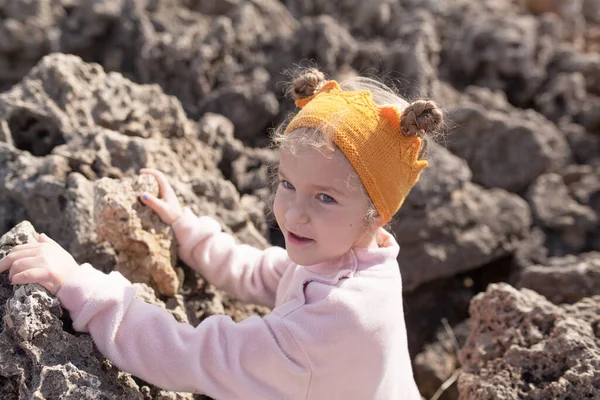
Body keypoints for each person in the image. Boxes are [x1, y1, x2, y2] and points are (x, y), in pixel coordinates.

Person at [0, 68, 443, 399]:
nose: (294, 213)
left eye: (325, 198)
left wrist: (79, 285)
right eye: (287, 184)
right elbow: (263, 272)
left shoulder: (332, 321)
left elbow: (193, 356)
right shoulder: (362, 259)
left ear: (376, 213)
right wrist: (187, 228)